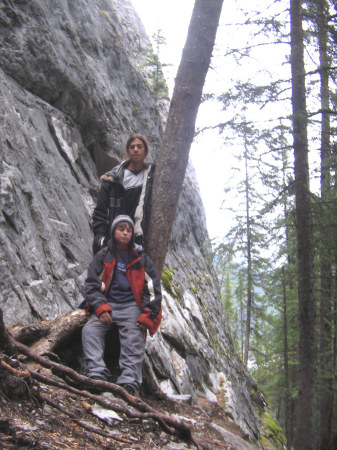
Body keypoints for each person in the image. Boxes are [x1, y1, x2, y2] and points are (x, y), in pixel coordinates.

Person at [82, 214, 162, 395]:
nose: (125, 233)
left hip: (131, 306)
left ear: (132, 234)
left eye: (129, 230)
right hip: (108, 303)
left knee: (134, 335)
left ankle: (129, 382)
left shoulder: (142, 259)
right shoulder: (103, 256)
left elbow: (154, 290)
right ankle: (96, 374)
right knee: (90, 330)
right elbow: (91, 284)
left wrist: (146, 316)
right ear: (113, 231)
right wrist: (101, 308)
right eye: (121, 229)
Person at [92, 133, 154, 254]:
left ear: (145, 151)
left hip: (137, 241)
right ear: (127, 151)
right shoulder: (112, 179)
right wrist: (100, 238)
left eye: (139, 147)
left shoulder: (152, 178)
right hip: (113, 239)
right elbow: (100, 211)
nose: (136, 150)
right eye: (132, 147)